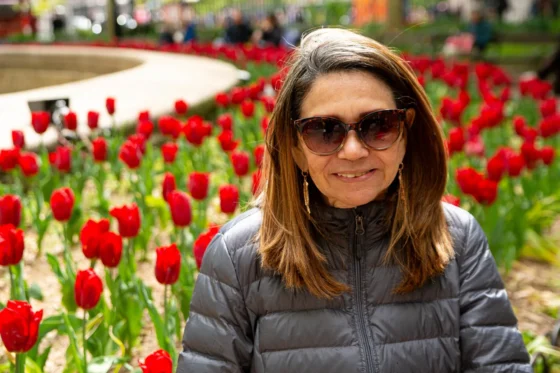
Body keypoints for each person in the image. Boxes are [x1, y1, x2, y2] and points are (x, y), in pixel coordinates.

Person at [177, 28, 532, 373]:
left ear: (406, 132)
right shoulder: (238, 256)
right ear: (296, 149)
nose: (352, 150)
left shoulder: (457, 239)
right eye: (324, 130)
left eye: (378, 125)